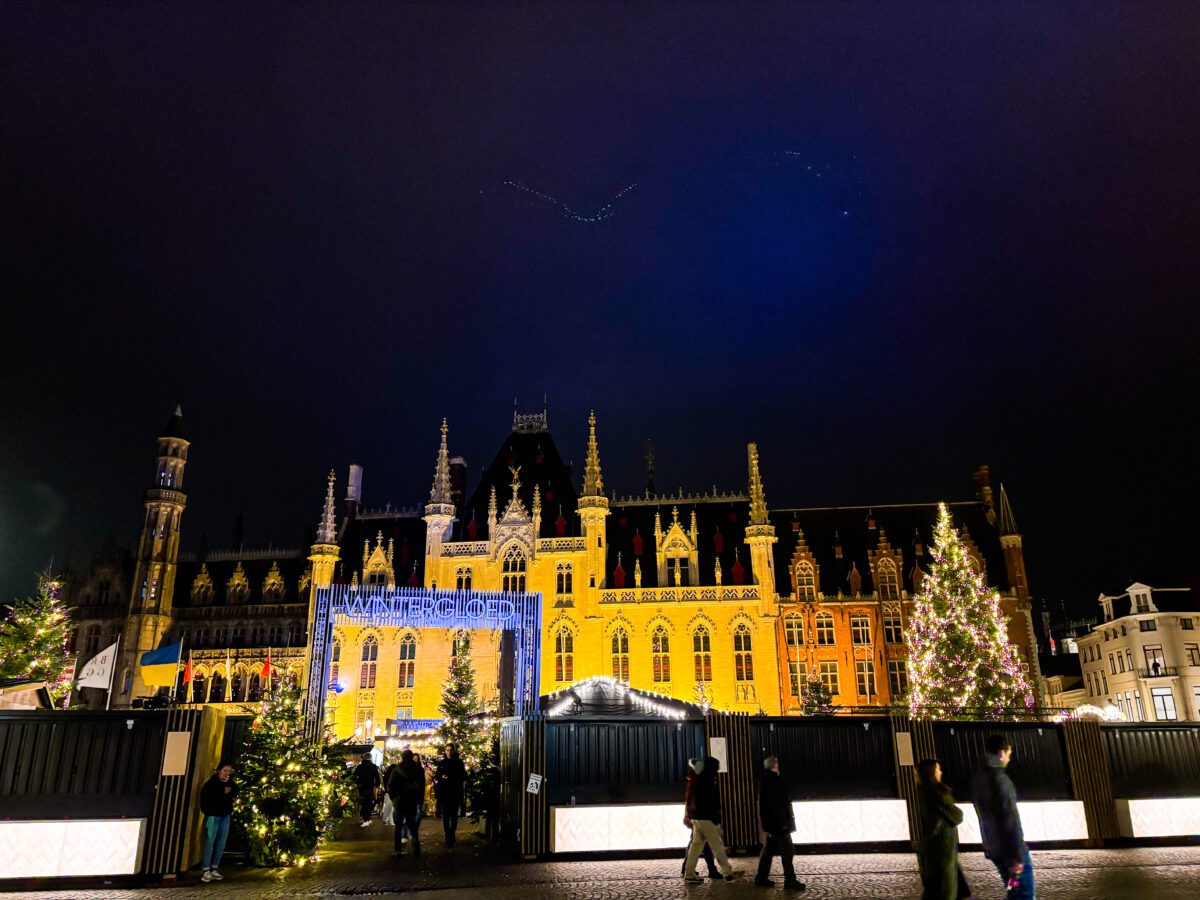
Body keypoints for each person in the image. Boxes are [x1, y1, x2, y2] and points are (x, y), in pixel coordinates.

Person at [972, 735, 1034, 900]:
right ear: (1001, 753)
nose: (1009, 759)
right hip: (1012, 853)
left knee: (1013, 890)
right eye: (1008, 754)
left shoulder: (979, 779)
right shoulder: (1000, 779)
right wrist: (1018, 856)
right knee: (1024, 894)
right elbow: (1010, 819)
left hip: (995, 849)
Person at [917, 758, 970, 900]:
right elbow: (957, 815)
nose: (941, 772)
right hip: (943, 848)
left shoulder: (923, 791)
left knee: (936, 889)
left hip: (934, 849)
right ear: (932, 773)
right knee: (944, 891)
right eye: (938, 769)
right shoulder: (937, 794)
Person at [754, 756, 805, 891]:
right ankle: (790, 880)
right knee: (787, 850)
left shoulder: (766, 780)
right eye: (777, 763)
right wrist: (783, 822)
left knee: (769, 850)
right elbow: (778, 804)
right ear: (774, 765)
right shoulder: (774, 781)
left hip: (772, 823)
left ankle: (761, 877)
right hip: (778, 823)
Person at [683, 756, 736, 883]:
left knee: (696, 847)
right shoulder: (708, 780)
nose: (718, 768)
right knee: (717, 846)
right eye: (716, 766)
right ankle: (727, 872)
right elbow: (711, 801)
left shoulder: (699, 779)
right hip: (707, 818)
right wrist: (716, 818)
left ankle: (689, 873)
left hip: (698, 817)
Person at [680, 758, 721, 880]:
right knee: (701, 843)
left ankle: (687, 868)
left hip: (697, 816)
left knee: (696, 843)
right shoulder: (696, 781)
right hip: (699, 816)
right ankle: (710, 870)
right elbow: (690, 800)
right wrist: (688, 815)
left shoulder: (694, 780)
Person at [199, 761, 236, 883]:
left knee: (221, 842)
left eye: (229, 771)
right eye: (225, 770)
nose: (227, 773)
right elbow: (206, 799)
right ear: (219, 770)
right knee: (210, 841)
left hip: (225, 815)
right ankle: (206, 869)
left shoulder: (230, 783)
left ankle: (214, 867)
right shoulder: (211, 784)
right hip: (213, 816)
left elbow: (235, 791)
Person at [387, 749, 426, 857]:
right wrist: (420, 800)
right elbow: (421, 786)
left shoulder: (397, 769)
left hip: (399, 801)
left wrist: (394, 798)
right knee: (412, 824)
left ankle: (398, 849)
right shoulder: (418, 769)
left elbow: (390, 785)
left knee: (398, 826)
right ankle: (416, 844)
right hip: (412, 801)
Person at [434, 744, 467, 849]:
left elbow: (463, 775)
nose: (449, 752)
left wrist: (452, 777)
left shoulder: (458, 762)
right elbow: (437, 775)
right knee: (446, 815)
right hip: (445, 793)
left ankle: (451, 834)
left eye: (450, 750)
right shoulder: (442, 763)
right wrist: (442, 777)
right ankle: (448, 834)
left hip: (455, 792)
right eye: (447, 750)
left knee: (453, 815)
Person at [353, 752, 381, 827]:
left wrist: (357, 783)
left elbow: (354, 775)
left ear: (363, 758)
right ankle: (367, 818)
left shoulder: (360, 766)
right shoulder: (373, 766)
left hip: (361, 787)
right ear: (370, 758)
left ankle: (365, 818)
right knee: (369, 802)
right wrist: (377, 784)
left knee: (363, 802)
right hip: (371, 787)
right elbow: (377, 777)